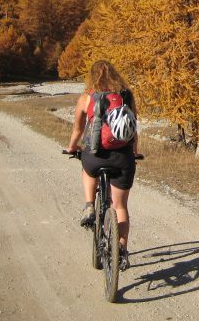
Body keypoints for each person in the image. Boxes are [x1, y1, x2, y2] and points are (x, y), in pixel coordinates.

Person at [66, 60, 141, 257]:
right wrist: (134, 152)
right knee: (120, 206)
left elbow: (78, 129)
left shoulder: (87, 98)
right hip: (122, 157)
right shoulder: (126, 96)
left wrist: (72, 148)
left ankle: (90, 205)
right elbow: (133, 130)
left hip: (95, 154)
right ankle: (122, 248)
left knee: (87, 169)